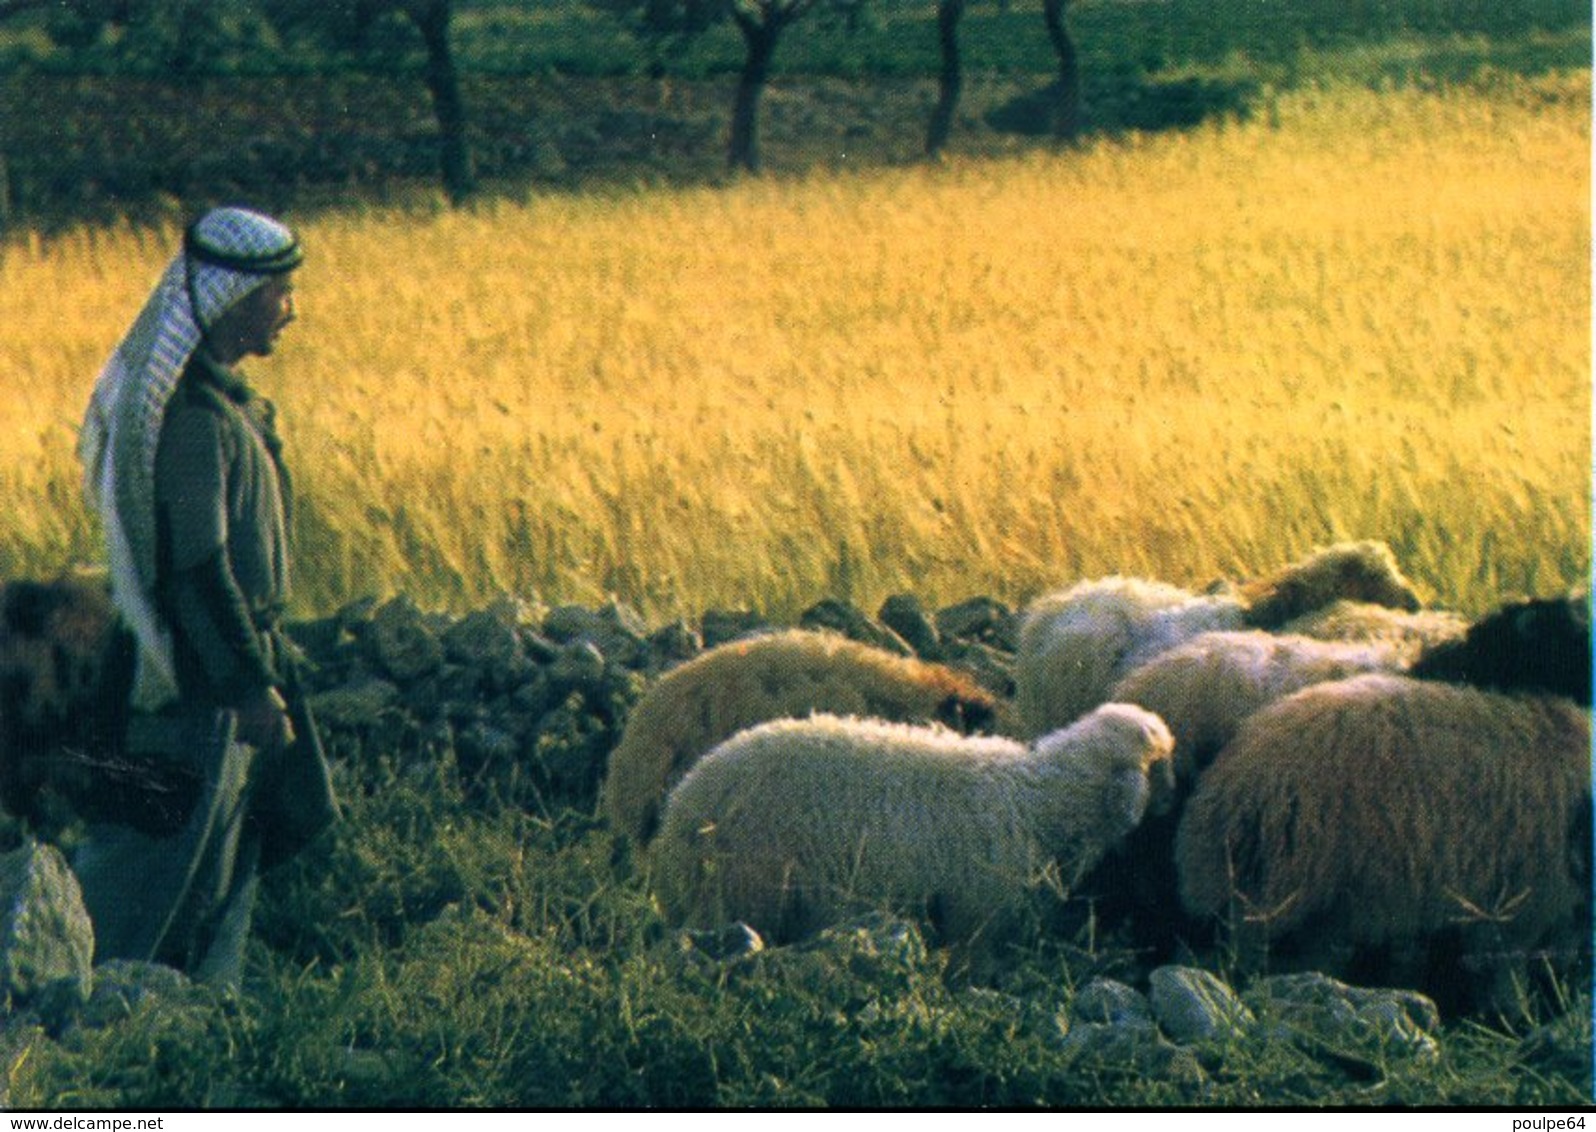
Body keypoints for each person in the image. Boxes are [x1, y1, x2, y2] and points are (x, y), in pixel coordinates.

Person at [74, 206, 337, 988]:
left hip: (214, 677)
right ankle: (69, 1022)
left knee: (205, 869)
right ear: (233, 299)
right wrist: (248, 685)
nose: (291, 310)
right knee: (149, 875)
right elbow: (198, 572)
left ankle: (169, 1027)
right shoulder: (194, 422)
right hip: (197, 687)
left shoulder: (221, 409)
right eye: (280, 293)